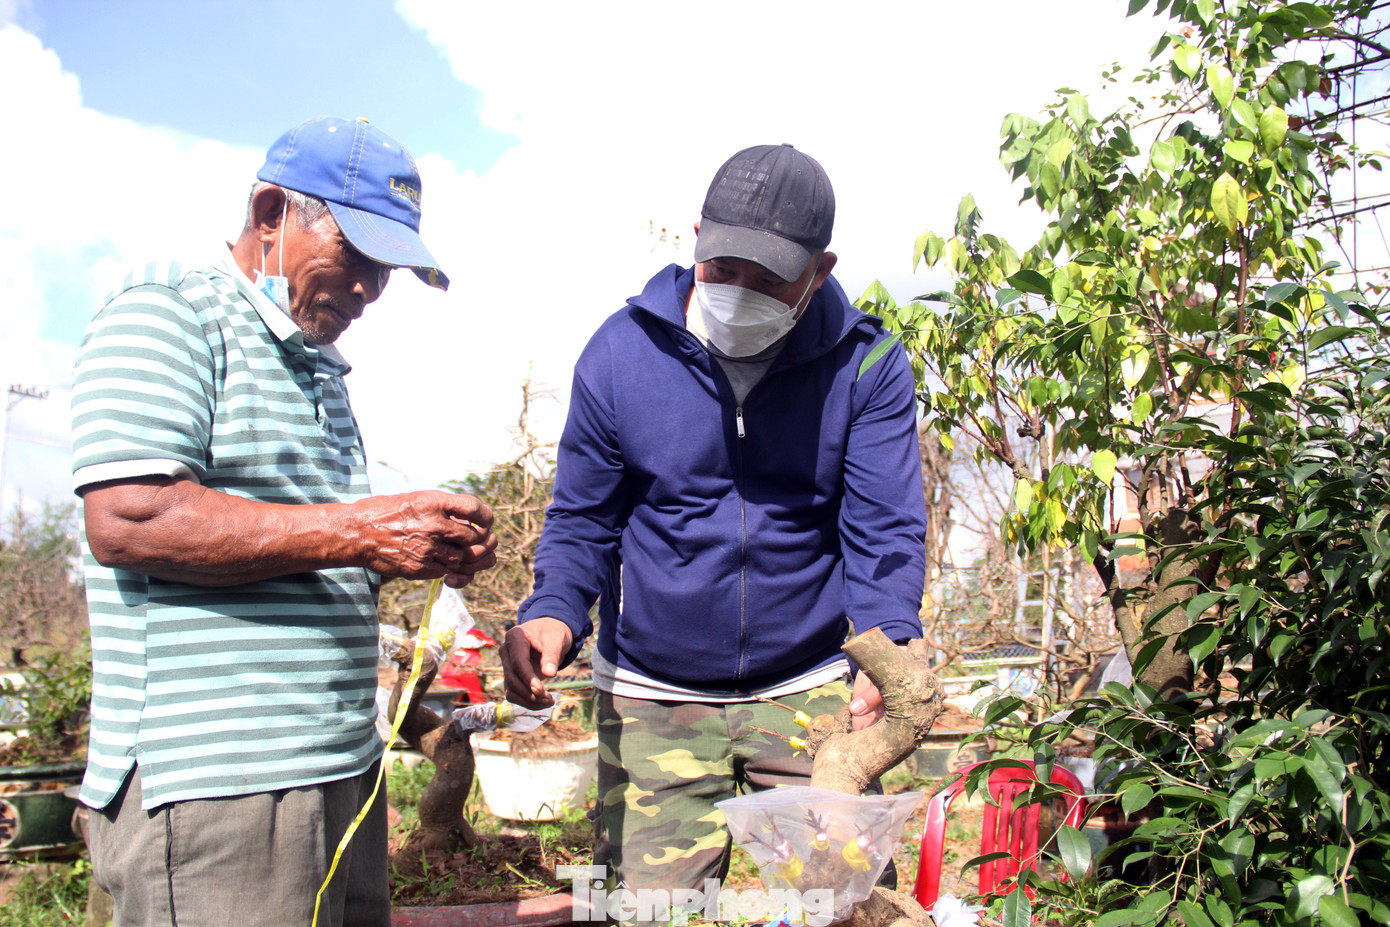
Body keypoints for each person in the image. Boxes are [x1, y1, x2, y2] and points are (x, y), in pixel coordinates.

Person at [70, 116, 496, 927]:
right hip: (221, 788)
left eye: (387, 269)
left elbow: (301, 541)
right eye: (357, 256)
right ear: (271, 214)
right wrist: (364, 531)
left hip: (339, 769)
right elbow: (130, 516)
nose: (371, 288)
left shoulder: (314, 363)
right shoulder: (169, 309)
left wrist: (412, 545)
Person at [502, 144, 927, 916]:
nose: (739, 293)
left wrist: (888, 640)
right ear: (696, 238)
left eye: (769, 280)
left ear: (820, 272)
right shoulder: (621, 355)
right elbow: (583, 517)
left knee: (847, 905)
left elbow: (884, 529)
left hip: (806, 695)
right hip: (652, 696)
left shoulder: (866, 365)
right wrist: (553, 610)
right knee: (648, 911)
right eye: (723, 268)